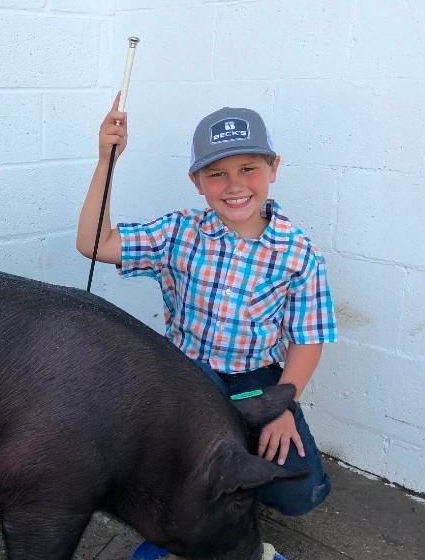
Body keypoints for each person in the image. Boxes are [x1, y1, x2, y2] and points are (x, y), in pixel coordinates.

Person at [76, 94, 337, 516]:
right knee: (178, 470)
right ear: (197, 181)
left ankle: (230, 454)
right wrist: (107, 161)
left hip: (256, 381)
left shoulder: (299, 252)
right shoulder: (179, 231)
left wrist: (281, 405)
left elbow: (308, 339)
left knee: (297, 494)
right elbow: (94, 243)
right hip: (188, 373)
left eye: (248, 168)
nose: (234, 185)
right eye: (216, 174)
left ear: (274, 168)